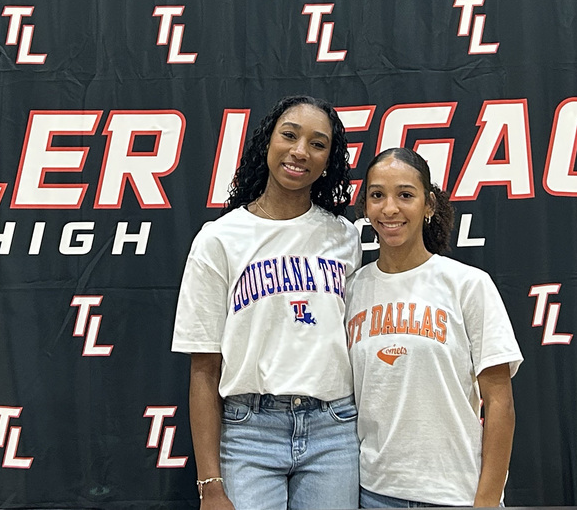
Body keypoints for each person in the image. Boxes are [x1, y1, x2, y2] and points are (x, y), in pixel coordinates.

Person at [171, 95, 363, 509]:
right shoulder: (219, 239)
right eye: (289, 135)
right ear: (267, 143)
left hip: (334, 428)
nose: (300, 151)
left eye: (317, 143)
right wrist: (210, 485)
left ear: (330, 159)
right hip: (249, 431)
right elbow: (203, 370)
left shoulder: (345, 238)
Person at [346, 147, 523, 508]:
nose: (390, 208)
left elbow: (500, 404)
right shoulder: (352, 289)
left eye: (405, 195)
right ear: (365, 205)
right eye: (377, 195)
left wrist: (487, 500)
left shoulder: (468, 285)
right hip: (373, 494)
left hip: (454, 495)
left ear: (428, 205)